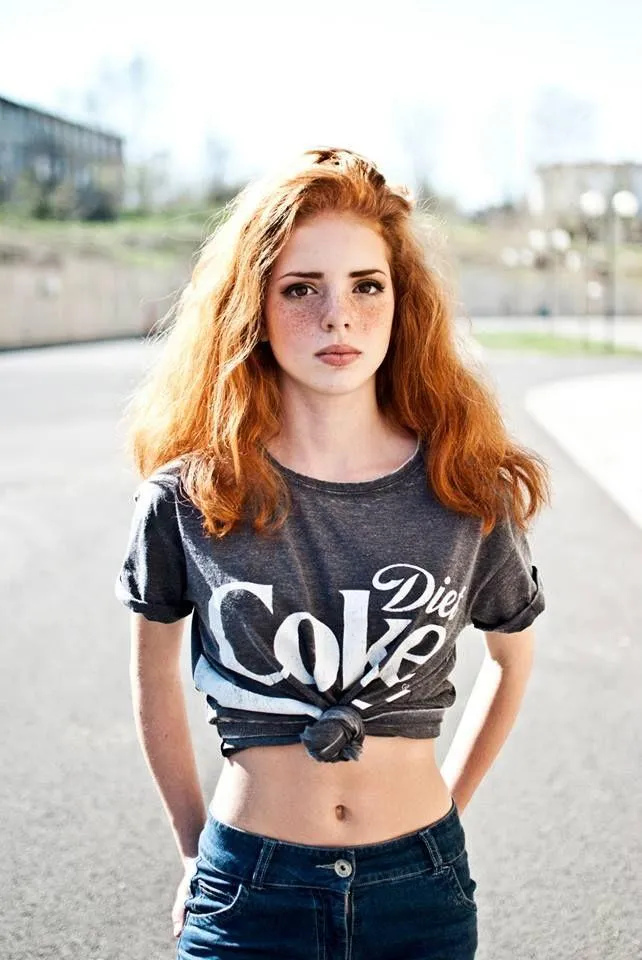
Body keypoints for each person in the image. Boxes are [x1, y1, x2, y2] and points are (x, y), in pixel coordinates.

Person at [114, 147, 551, 959]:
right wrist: (190, 846)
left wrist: (445, 812)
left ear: (400, 301)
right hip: (249, 891)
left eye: (366, 285)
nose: (338, 317)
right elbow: (153, 679)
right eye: (301, 288)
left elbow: (511, 660)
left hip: (419, 889)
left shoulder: (466, 490)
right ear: (253, 305)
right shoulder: (189, 497)